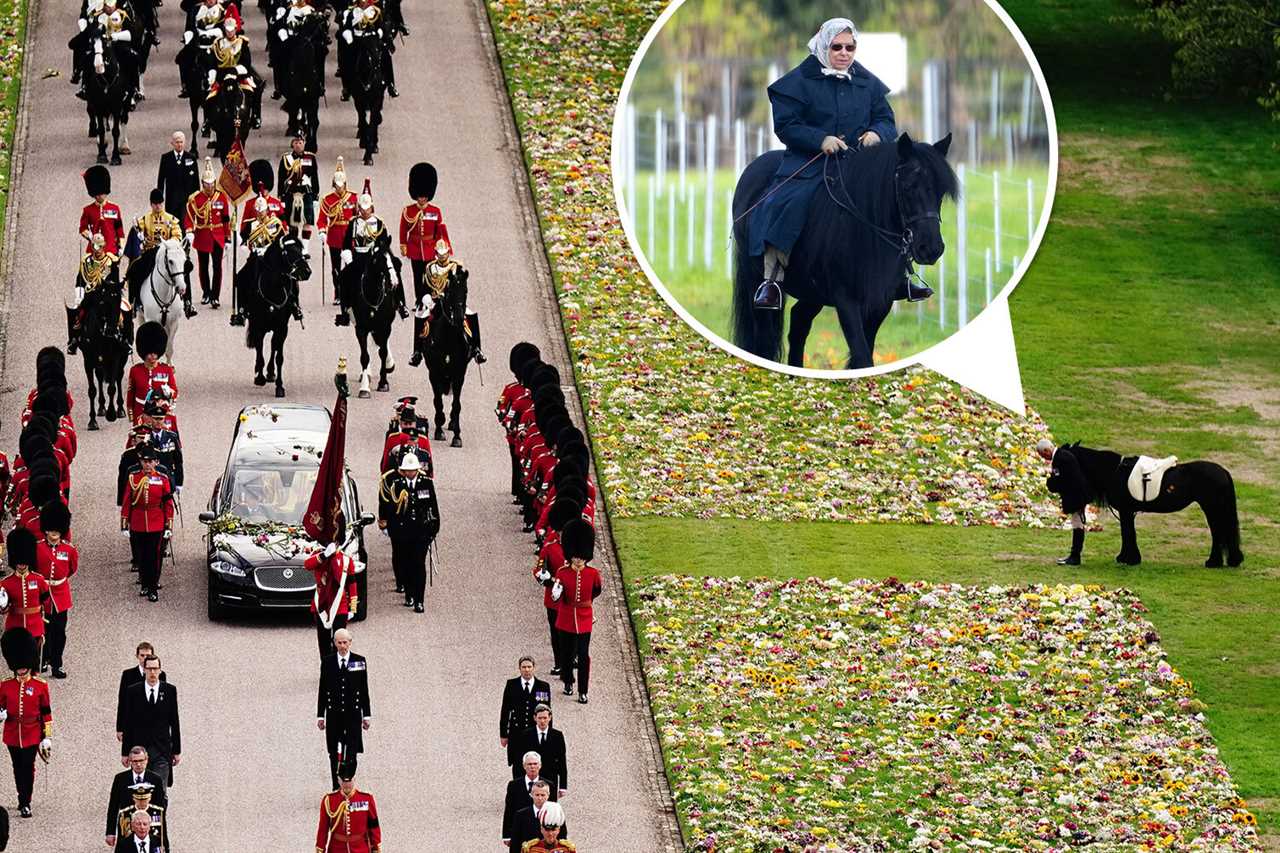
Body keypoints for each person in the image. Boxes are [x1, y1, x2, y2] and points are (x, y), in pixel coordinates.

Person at [746, 18, 924, 310]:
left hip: (858, 163)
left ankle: (900, 275)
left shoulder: (867, 82)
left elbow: (885, 119)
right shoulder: (797, 81)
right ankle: (772, 280)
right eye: (837, 46)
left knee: (891, 202)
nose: (844, 53)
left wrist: (877, 134)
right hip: (809, 162)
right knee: (787, 204)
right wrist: (821, 140)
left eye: (850, 47)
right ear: (823, 45)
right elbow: (786, 125)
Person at [335, 180, 407, 326]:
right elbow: (347, 244)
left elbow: (384, 242)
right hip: (359, 257)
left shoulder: (379, 223)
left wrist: (380, 252)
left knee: (395, 268)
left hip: (375, 256)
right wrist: (348, 257)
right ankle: (345, 310)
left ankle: (401, 303)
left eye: (367, 209)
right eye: (362, 208)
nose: (364, 211)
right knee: (344, 277)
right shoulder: (354, 223)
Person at [376, 452, 439, 612]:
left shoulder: (426, 483)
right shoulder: (396, 483)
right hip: (401, 532)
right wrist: (388, 526)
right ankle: (409, 595)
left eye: (413, 470)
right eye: (407, 470)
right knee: (405, 563)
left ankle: (419, 600)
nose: (411, 473)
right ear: (403, 471)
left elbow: (432, 506)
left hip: (420, 532)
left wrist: (434, 529)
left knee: (418, 565)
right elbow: (389, 506)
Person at [0, 627, 52, 819]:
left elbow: (46, 712)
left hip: (32, 732)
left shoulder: (40, 686)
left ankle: (25, 801)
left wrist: (47, 737)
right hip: (12, 732)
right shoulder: (5, 685)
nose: (21, 669)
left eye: (23, 666)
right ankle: (21, 795)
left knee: (28, 767)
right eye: (18, 666)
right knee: (17, 767)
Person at [124, 188, 195, 319]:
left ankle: (187, 302)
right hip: (150, 253)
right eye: (155, 204)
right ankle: (134, 302)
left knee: (184, 269)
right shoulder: (144, 220)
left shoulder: (171, 219)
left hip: (167, 252)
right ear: (151, 204)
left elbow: (177, 235)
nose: (158, 206)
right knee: (135, 269)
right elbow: (136, 235)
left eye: (160, 203)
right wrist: (139, 236)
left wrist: (168, 244)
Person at [552, 520, 601, 704]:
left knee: (583, 655)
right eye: (575, 556)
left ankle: (583, 690)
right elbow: (557, 594)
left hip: (584, 617)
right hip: (566, 617)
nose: (578, 559)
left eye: (581, 557)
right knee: (566, 653)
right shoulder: (563, 572)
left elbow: (596, 590)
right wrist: (558, 592)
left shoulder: (593, 573)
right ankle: (568, 681)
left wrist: (587, 605)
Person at [415, 238, 485, 365]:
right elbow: (424, 288)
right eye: (440, 254)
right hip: (435, 302)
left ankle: (477, 349)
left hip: (452, 302)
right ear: (436, 253)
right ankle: (417, 352)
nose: (442, 257)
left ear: (448, 253)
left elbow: (461, 286)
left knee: (471, 315)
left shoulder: (456, 267)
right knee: (420, 316)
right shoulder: (430, 268)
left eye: (444, 254)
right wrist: (428, 300)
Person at [317, 627, 371, 791]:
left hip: (353, 714)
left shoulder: (359, 661)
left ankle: (348, 783)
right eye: (339, 643)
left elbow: (363, 689)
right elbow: (322, 688)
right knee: (334, 753)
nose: (342, 646)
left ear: (350, 643)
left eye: (345, 642)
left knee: (352, 752)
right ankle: (336, 786)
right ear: (334, 643)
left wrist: (366, 715)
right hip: (334, 715)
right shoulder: (327, 662)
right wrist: (321, 715)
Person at [120, 445, 174, 602]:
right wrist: (124, 523)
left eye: (150, 461)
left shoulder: (163, 480)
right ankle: (144, 583)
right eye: (145, 461)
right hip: (138, 522)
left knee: (155, 556)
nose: (147, 465)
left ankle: (153, 587)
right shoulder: (133, 478)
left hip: (156, 522)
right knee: (142, 556)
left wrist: (168, 526)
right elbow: (127, 501)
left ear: (156, 462)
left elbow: (168, 504)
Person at [117, 654, 180, 787]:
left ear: (160, 670)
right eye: (149, 669)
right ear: (144, 669)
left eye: (155, 669)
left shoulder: (169, 690)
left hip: (162, 750)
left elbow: (174, 721)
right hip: (140, 750)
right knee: (141, 789)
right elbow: (128, 724)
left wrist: (176, 750)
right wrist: (125, 752)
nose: (152, 672)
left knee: (159, 791)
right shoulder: (133, 691)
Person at [185, 157, 235, 308]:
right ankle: (206, 292)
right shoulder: (196, 199)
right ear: (202, 184)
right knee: (203, 266)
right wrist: (189, 230)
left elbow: (226, 218)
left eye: (211, 184)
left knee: (217, 267)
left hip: (218, 235)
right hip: (202, 235)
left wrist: (227, 238)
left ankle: (215, 295)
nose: (209, 187)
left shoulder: (221, 197)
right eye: (207, 185)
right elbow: (189, 216)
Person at [34, 503, 77, 679]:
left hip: (60, 596)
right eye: (51, 530)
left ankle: (57, 664)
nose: (54, 533)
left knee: (59, 632)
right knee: (43, 630)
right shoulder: (37, 548)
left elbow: (72, 569)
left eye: (57, 530)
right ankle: (43, 660)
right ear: (45, 530)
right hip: (42, 594)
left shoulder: (69, 549)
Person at [66, 231, 125, 356]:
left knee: (123, 313)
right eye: (94, 247)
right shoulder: (85, 261)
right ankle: (74, 340)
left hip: (107, 294)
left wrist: (118, 293)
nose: (97, 250)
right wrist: (79, 294)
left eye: (100, 247)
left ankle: (126, 340)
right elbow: (80, 278)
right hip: (90, 294)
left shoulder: (111, 260)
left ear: (103, 246)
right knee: (76, 314)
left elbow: (115, 279)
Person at [0, 530, 51, 667]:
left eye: (24, 561)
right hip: (14, 626)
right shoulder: (6, 583)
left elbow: (45, 601)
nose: (22, 564)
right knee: (17, 663)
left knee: (34, 665)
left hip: (34, 626)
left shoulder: (39, 580)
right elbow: (3, 608)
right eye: (19, 562)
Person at [399, 163, 448, 304]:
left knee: (429, 275)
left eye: (424, 196)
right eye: (420, 196)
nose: (422, 199)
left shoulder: (435, 211)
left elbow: (438, 231)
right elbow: (403, 228)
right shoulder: (409, 211)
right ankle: (418, 300)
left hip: (429, 248)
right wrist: (403, 244)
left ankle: (427, 298)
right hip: (415, 248)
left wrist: (440, 247)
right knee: (417, 275)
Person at [205, 16, 263, 129]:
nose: (229, 32)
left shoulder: (242, 42)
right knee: (209, 96)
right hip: (221, 74)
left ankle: (256, 116)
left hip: (239, 74)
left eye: (232, 30)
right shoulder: (217, 44)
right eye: (227, 30)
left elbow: (246, 62)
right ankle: (207, 121)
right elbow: (213, 62)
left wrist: (235, 71)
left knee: (254, 90)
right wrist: (212, 76)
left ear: (236, 29)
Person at [1038, 438, 1089, 565]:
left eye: (1043, 455)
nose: (1044, 458)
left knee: (1078, 525)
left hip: (1076, 496)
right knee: (1077, 524)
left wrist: (1049, 482)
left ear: (1046, 450)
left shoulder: (1060, 459)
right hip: (1078, 494)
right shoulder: (1063, 455)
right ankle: (1074, 555)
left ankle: (1075, 556)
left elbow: (1061, 481)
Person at [105, 746, 168, 848]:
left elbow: (160, 810)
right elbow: (113, 806)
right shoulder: (120, 779)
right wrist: (110, 832)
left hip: (149, 828)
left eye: (141, 760)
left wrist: (164, 840)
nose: (138, 764)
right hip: (126, 826)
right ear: (130, 761)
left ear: (147, 760)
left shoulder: (156, 779)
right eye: (134, 761)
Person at [305, 540, 359, 658]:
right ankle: (326, 669)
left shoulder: (346, 559)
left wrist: (353, 608)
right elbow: (307, 565)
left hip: (340, 605)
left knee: (339, 640)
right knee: (323, 641)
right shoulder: (319, 556)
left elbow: (352, 584)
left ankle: (338, 669)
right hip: (322, 604)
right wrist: (324, 555)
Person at [315, 759, 381, 853]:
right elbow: (323, 829)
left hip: (360, 848)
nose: (346, 785)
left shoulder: (366, 799)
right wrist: (320, 848)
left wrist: (375, 847)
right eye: (343, 781)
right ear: (338, 780)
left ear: (354, 779)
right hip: (336, 849)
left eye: (349, 781)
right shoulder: (329, 800)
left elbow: (374, 827)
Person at [337, 0, 397, 100]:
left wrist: (379, 33)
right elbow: (347, 27)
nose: (363, 3)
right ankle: (347, 87)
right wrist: (349, 36)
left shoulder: (375, 11)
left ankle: (390, 84)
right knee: (346, 58)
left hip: (372, 40)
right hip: (357, 40)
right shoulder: (352, 13)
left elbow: (381, 26)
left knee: (385, 55)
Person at [317, 157, 357, 303]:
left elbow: (358, 217)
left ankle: (350, 292)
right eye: (337, 185)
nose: (339, 188)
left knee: (350, 266)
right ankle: (338, 292)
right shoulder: (328, 200)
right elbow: (322, 218)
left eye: (342, 185)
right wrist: (322, 231)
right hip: (334, 236)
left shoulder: (353, 198)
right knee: (336, 267)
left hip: (349, 235)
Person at [499, 657, 552, 759]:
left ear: (534, 668)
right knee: (518, 766)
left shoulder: (543, 686)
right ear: (519, 668)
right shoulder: (511, 685)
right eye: (524, 667)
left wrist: (548, 733)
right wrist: (503, 734)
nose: (526, 670)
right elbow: (505, 710)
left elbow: (548, 713)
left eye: (529, 667)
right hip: (517, 733)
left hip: (535, 732)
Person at [127, 322, 177, 425]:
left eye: (155, 353)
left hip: (161, 415)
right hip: (140, 414)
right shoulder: (135, 370)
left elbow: (174, 391)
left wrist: (166, 392)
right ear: (144, 353)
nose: (153, 357)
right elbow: (131, 393)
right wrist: (131, 412)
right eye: (150, 353)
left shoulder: (166, 370)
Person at [502, 752, 557, 846]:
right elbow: (509, 810)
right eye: (529, 764)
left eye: (535, 764)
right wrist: (506, 835)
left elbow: (553, 810)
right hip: (520, 830)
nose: (532, 767)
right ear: (524, 766)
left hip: (542, 831)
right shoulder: (514, 785)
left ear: (540, 765)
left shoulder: (549, 785)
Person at [116, 643, 167, 744]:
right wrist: (120, 728)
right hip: (133, 725)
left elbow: (163, 702)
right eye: (142, 655)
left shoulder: (161, 674)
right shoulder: (128, 675)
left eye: (147, 656)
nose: (144, 658)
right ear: (137, 656)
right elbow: (122, 701)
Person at [511, 704, 567, 793]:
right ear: (535, 718)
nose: (542, 721)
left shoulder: (557, 736)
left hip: (550, 779)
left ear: (550, 718)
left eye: (545, 718)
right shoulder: (525, 735)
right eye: (540, 718)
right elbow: (518, 761)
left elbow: (562, 761)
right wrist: (518, 782)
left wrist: (563, 786)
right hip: (531, 779)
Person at [279, 132, 321, 239]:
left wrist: (315, 195)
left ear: (304, 143)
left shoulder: (311, 157)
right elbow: (281, 178)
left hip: (306, 192)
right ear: (292, 144)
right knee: (292, 222)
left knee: (307, 221)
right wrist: (281, 197)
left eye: (300, 142)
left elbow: (314, 177)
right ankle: (294, 247)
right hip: (291, 192)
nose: (298, 145)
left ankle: (305, 249)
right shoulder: (286, 158)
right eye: (296, 142)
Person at [508, 780, 570, 850]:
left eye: (543, 795)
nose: (540, 798)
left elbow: (562, 840)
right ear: (531, 795)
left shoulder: (557, 814)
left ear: (548, 795)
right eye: (537, 795)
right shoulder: (520, 815)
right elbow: (515, 843)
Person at [156, 132, 200, 229]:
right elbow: (161, 180)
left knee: (185, 225)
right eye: (177, 142)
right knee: (172, 225)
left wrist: (197, 198)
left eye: (181, 142)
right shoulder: (166, 158)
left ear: (184, 143)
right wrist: (159, 199)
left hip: (186, 199)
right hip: (172, 199)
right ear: (172, 143)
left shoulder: (191, 158)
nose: (179, 144)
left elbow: (196, 180)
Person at [79, 165, 125, 258]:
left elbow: (119, 230)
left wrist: (122, 246)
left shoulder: (114, 208)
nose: (98, 196)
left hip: (111, 251)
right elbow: (82, 229)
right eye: (96, 194)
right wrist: (90, 236)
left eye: (100, 194)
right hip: (93, 251)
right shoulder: (88, 210)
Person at [111, 783, 169, 851]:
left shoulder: (158, 812)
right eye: (139, 800)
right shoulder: (125, 813)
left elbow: (163, 835)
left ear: (149, 798)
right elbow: (122, 836)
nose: (142, 803)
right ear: (134, 799)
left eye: (145, 800)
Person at [379, 399, 431, 475]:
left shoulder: (423, 438)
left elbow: (428, 461)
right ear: (400, 422)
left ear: (415, 423)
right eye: (405, 424)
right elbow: (386, 461)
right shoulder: (392, 437)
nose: (408, 427)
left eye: (411, 424)